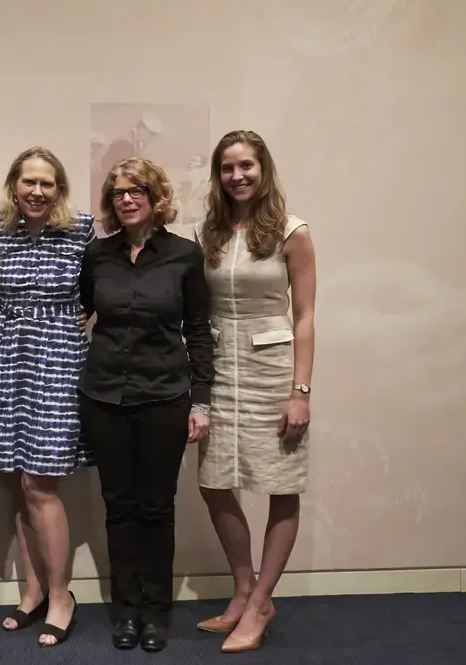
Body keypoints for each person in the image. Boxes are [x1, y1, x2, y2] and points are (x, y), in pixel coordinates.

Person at [78, 157, 213, 653]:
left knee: (156, 508)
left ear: (156, 198)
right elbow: (85, 309)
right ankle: (126, 610)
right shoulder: (97, 255)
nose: (127, 199)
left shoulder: (184, 256)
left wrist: (201, 401)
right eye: (118, 193)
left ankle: (156, 610)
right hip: (103, 396)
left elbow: (198, 331)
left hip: (165, 398)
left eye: (136, 190)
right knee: (118, 507)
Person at [193, 130, 316, 654]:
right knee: (215, 480)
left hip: (273, 370)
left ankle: (264, 598)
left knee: (280, 484)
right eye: (227, 168)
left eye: (246, 166)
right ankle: (244, 588)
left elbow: (307, 316)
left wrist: (300, 392)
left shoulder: (293, 232)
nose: (237, 176)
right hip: (221, 366)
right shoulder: (209, 233)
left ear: (263, 170)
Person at [0, 146, 95, 647]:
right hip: (7, 357)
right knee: (18, 482)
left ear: (59, 189)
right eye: (29, 182)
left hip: (59, 361)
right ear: (14, 185)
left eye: (47, 183)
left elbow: (107, 288)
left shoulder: (82, 230)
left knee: (42, 484)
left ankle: (61, 594)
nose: (37, 191)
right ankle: (32, 591)